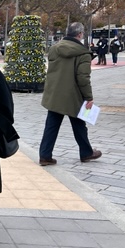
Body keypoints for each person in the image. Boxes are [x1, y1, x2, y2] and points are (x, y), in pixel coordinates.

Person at [39, 22, 101, 166]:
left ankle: (45, 155)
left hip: (55, 94)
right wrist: (89, 97)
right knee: (79, 125)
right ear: (79, 34)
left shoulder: (54, 49)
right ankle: (86, 152)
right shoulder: (83, 53)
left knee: (51, 126)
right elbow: (83, 78)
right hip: (73, 96)